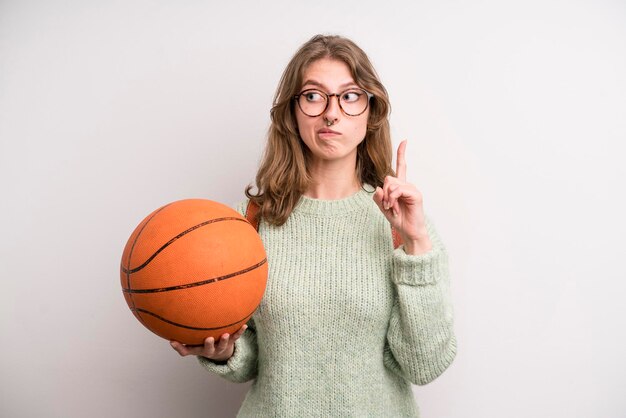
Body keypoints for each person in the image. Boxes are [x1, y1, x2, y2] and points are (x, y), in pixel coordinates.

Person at [170, 34, 457, 417]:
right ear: (292, 111)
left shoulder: (402, 224)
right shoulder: (249, 222)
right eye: (313, 95)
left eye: (350, 95)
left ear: (371, 112)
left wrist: (416, 241)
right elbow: (255, 360)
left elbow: (425, 365)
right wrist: (227, 352)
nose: (331, 113)